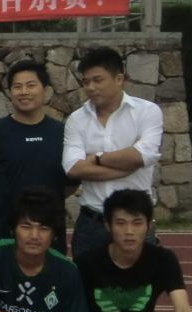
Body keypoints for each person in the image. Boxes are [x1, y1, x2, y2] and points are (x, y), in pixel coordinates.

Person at [62, 47, 163, 259]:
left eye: (98, 80)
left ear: (119, 79)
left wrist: (97, 159)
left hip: (135, 221)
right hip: (92, 224)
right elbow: (73, 168)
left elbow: (142, 156)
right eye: (86, 82)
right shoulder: (77, 119)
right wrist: (125, 168)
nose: (91, 87)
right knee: (86, 280)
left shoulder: (147, 112)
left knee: (141, 280)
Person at [0, 59, 75, 254]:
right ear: (10, 92)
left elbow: (71, 183)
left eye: (31, 85)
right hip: (5, 229)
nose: (24, 92)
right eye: (17, 87)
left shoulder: (62, 133)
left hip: (49, 228)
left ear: (45, 90)